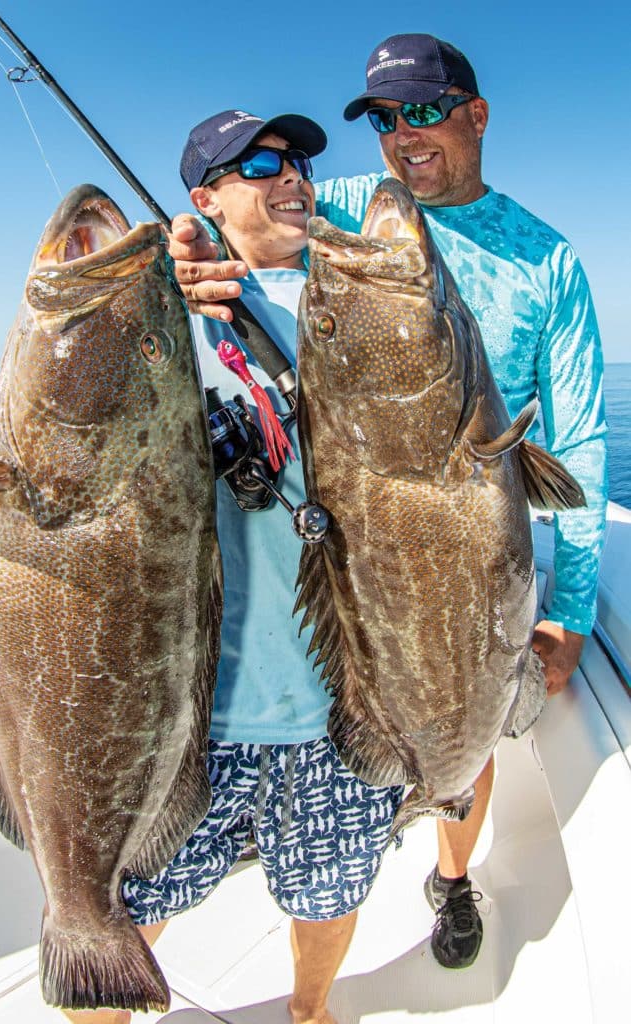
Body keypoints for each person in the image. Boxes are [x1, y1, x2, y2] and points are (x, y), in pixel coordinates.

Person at [168, 34, 608, 973]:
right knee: (389, 677)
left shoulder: (548, 260)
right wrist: (187, 259)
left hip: (480, 524)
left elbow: (577, 440)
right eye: (381, 121)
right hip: (367, 522)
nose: (402, 139)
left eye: (421, 112)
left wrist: (569, 609)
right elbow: (237, 216)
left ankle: (451, 872)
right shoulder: (338, 209)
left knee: (470, 702)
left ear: (474, 114)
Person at [64, 110, 403, 1024]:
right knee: (118, 920)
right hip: (192, 718)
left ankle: (310, 1009)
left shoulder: (355, 293)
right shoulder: (159, 311)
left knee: (332, 894)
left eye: (297, 162)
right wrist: (171, 270)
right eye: (259, 164)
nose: (290, 176)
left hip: (346, 704)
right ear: (204, 199)